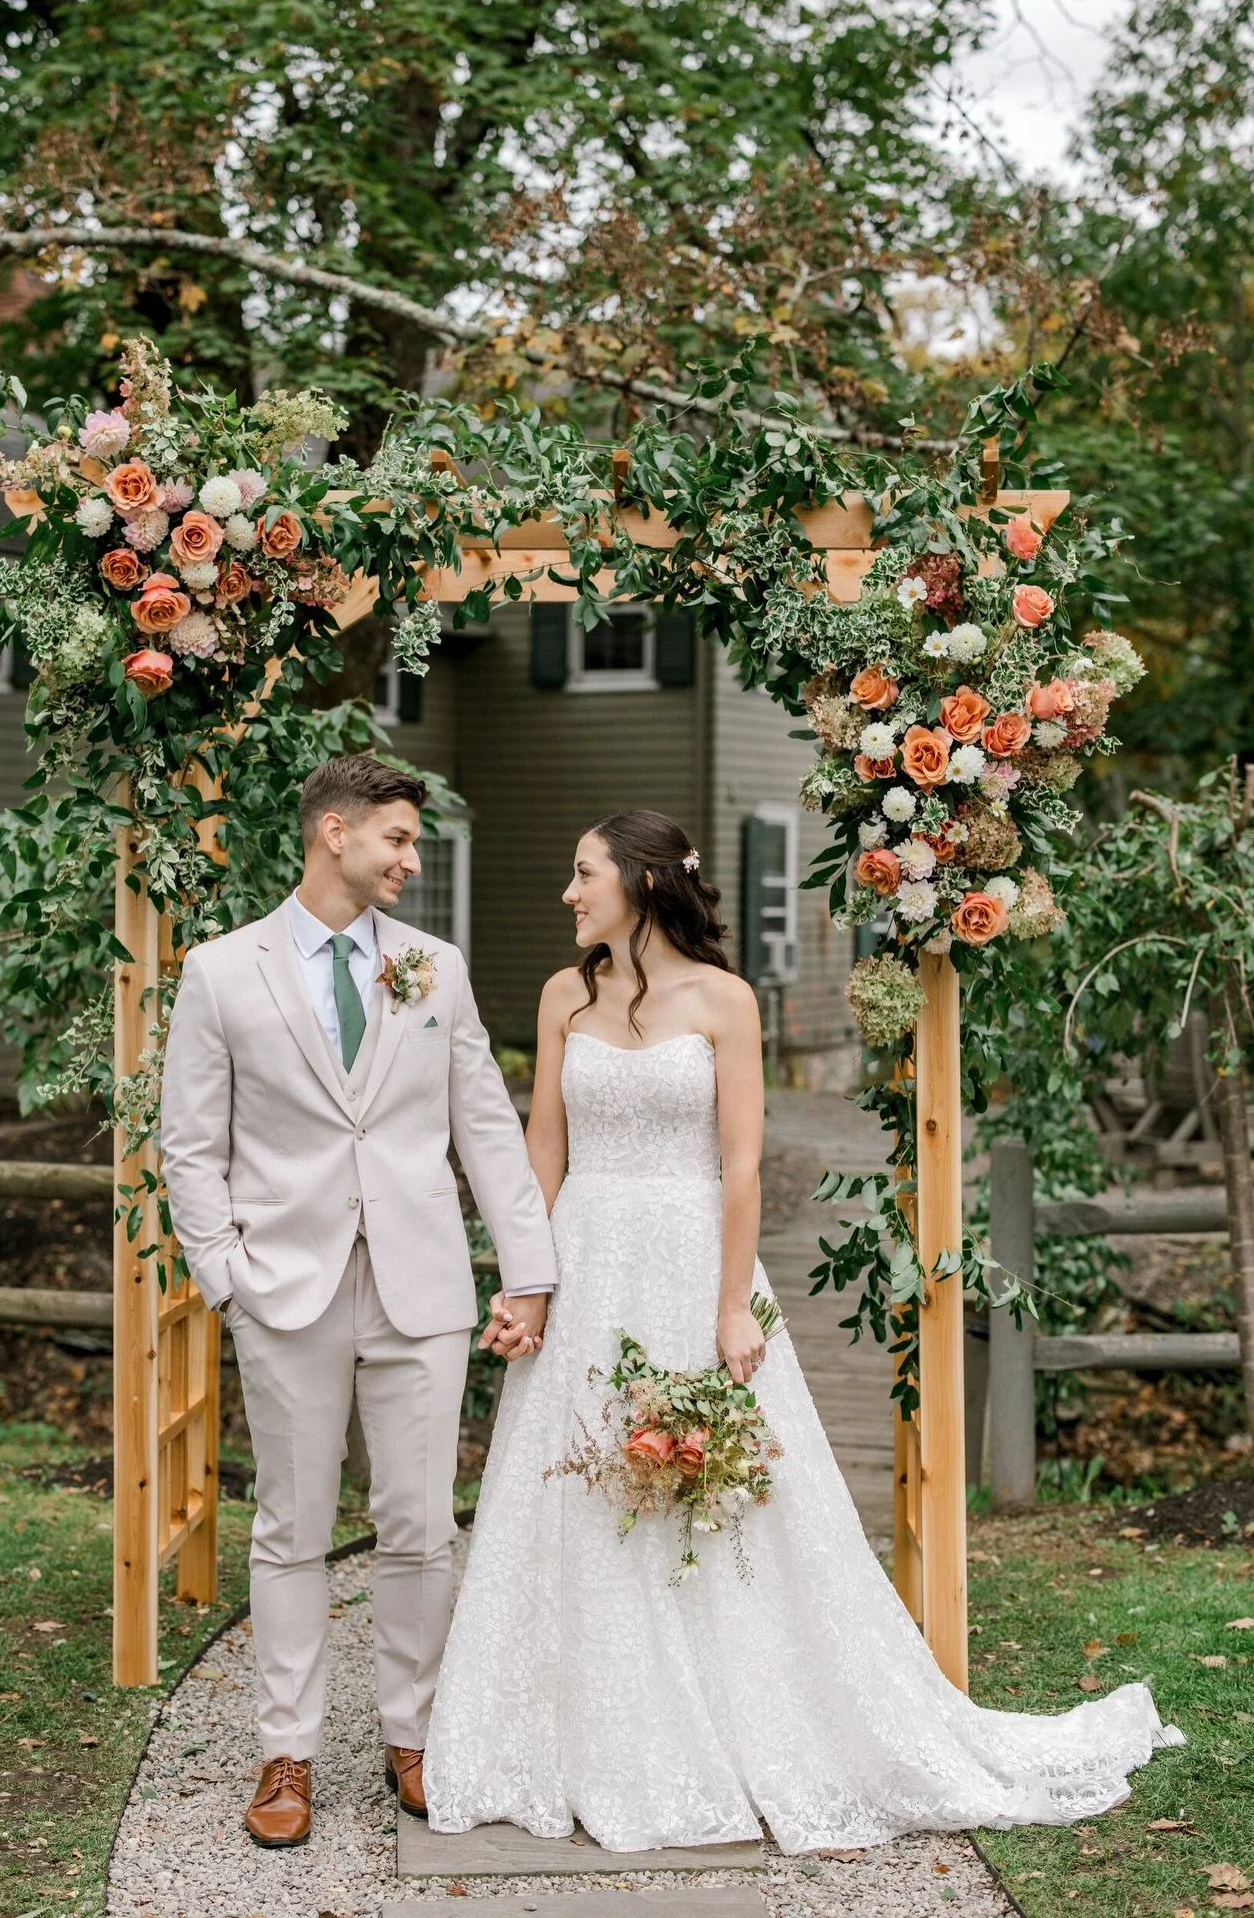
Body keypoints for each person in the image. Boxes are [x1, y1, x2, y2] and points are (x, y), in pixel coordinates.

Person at [423, 808, 1182, 1854]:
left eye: (583, 872)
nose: (569, 893)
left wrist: (733, 1304)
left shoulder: (728, 1001)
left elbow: (740, 1165)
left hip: (694, 1260)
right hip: (587, 1258)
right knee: (574, 1484)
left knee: (711, 1490)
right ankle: (579, 1733)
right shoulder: (564, 995)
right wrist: (529, 1284)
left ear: (642, 882)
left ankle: (739, 1716)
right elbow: (540, 1149)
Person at [160, 753, 555, 1849]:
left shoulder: (435, 967)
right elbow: (189, 1143)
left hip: (420, 1286)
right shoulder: (221, 971)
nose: (409, 859)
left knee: (421, 1526)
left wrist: (528, 1268)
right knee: (290, 1528)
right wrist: (224, 1273)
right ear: (333, 831)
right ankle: (284, 1752)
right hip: (285, 1287)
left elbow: (484, 1122)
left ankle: (411, 1733)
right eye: (396, 837)